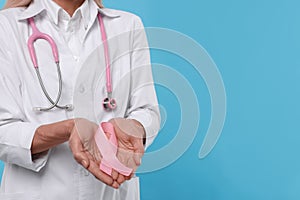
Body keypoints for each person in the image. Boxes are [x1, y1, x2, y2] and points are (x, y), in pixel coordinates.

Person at [0, 0, 160, 199]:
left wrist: (135, 127)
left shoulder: (127, 25)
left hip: (111, 192)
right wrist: (69, 129)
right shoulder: (6, 27)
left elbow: (147, 110)